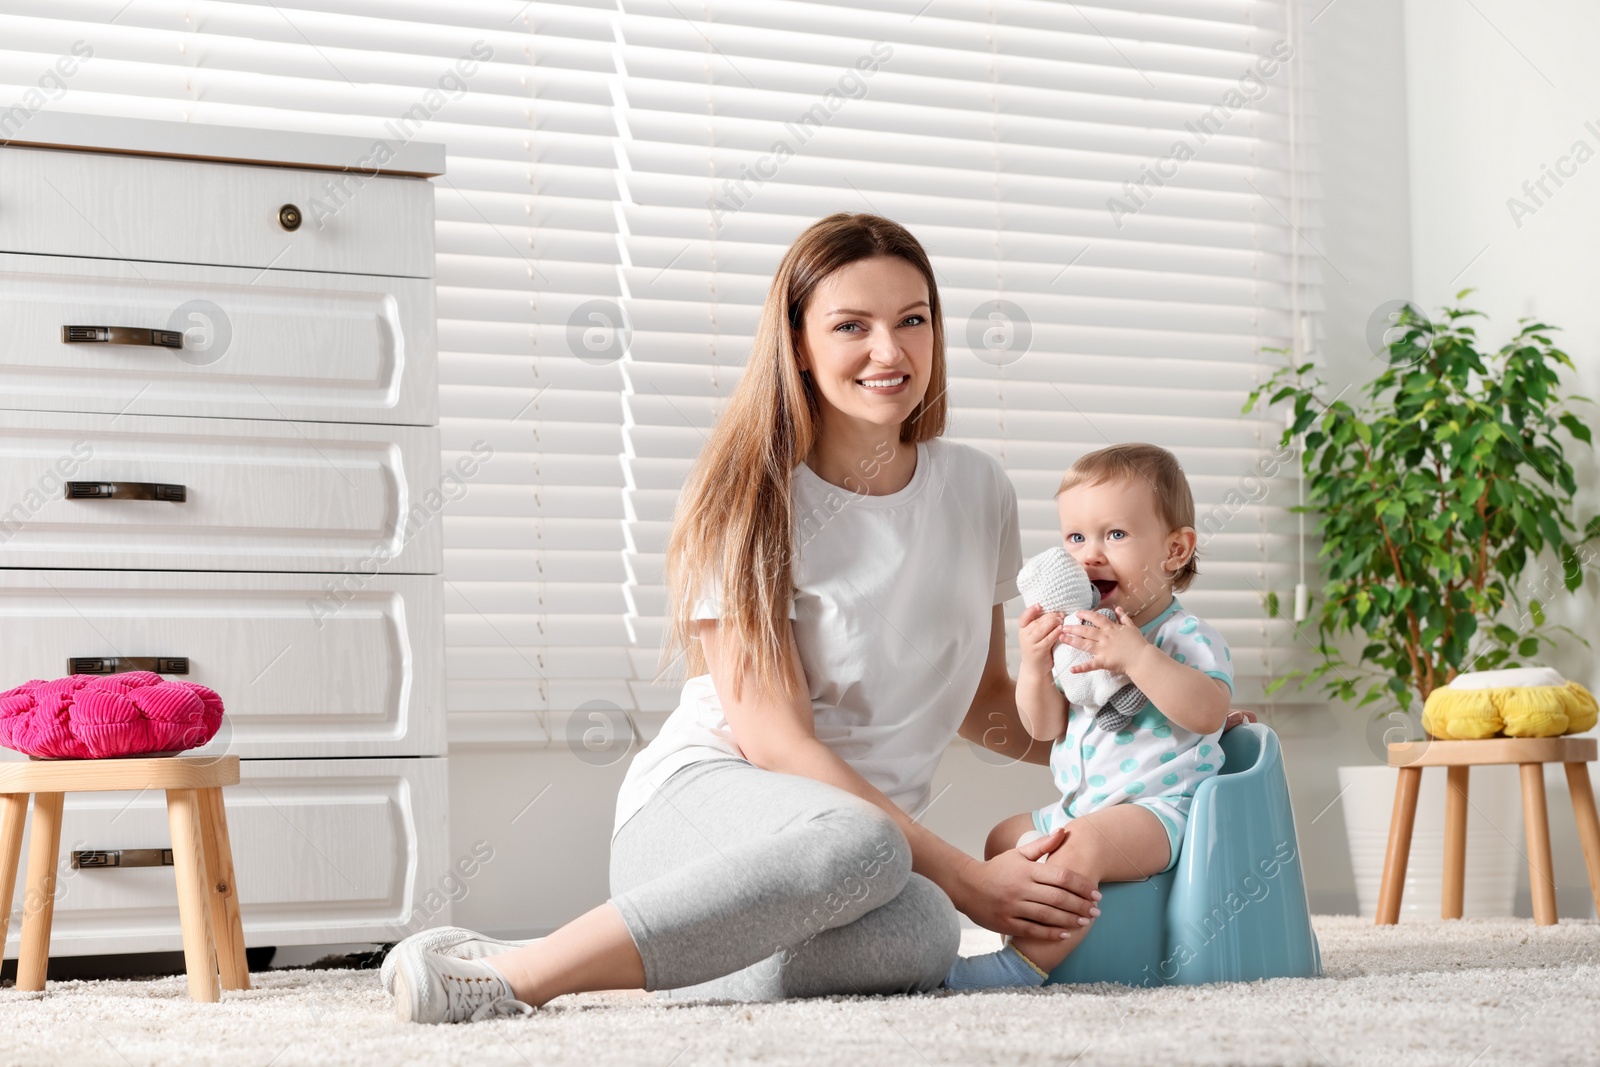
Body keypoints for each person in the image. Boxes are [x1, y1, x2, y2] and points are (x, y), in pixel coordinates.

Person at [385, 214, 1247, 1023]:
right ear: (797, 342)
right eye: (851, 326)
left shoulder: (977, 487)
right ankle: (515, 975)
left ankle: (683, 958)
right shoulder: (746, 500)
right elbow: (779, 746)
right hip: (706, 815)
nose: (889, 350)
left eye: (913, 320)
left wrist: (1167, 724)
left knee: (921, 934)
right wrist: (964, 875)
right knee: (882, 857)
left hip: (859, 863)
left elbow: (984, 694)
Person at [945, 443, 1233, 989]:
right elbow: (1045, 728)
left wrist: (1138, 657)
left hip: (1162, 811)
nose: (1089, 555)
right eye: (1075, 538)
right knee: (1004, 839)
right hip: (1084, 804)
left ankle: (1024, 965)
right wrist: (1034, 664)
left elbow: (1207, 711)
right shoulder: (1078, 640)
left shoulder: (1182, 636)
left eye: (1115, 535)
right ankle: (1037, 936)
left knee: (1083, 845)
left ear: (1175, 549)